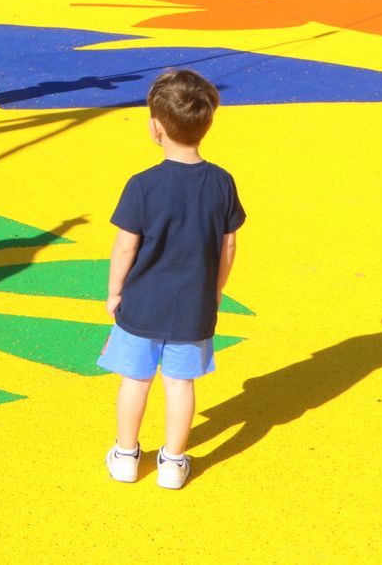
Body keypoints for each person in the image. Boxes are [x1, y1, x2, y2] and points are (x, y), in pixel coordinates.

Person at [98, 69, 245, 490]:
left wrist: (114, 293)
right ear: (208, 124)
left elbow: (125, 247)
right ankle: (173, 463)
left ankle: (126, 455)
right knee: (181, 385)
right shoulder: (222, 182)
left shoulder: (143, 185)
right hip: (193, 307)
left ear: (154, 127)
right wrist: (215, 292)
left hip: (142, 304)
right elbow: (228, 245)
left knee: (135, 380)